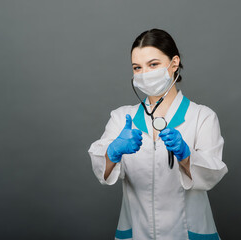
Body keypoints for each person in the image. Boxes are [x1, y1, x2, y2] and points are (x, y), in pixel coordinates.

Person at [88, 28, 228, 240]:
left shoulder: (202, 116)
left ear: (174, 64)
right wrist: (112, 152)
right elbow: (102, 171)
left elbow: (212, 174)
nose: (145, 74)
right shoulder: (122, 118)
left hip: (189, 233)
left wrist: (186, 156)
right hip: (136, 232)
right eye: (137, 67)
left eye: (153, 65)